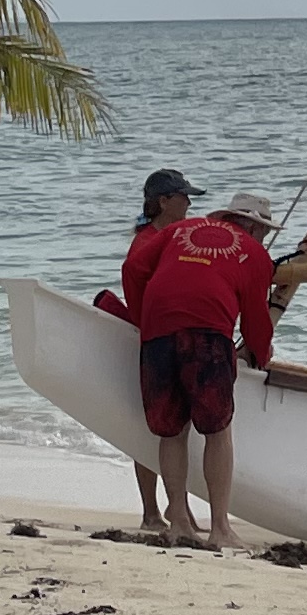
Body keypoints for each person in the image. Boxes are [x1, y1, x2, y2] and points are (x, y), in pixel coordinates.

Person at [125, 185, 280, 550]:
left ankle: (178, 520)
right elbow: (256, 319)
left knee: (171, 431)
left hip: (158, 334)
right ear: (256, 228)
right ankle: (220, 527)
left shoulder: (178, 231)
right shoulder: (255, 254)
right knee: (217, 430)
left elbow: (133, 268)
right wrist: (260, 354)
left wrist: (141, 320)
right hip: (208, 337)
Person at [98, 169, 198, 536]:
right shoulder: (148, 241)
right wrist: (149, 325)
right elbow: (134, 279)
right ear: (163, 202)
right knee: (159, 427)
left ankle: (173, 510)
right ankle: (154, 512)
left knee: (165, 428)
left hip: (158, 338)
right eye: (183, 197)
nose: (189, 203)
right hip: (152, 340)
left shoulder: (163, 237)